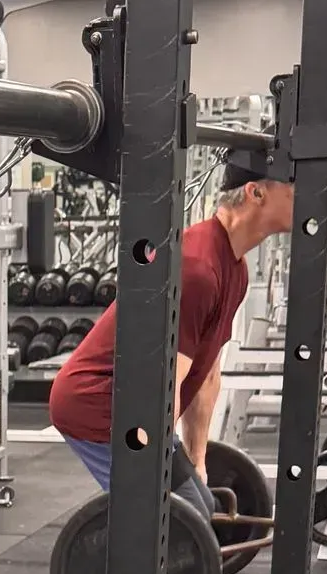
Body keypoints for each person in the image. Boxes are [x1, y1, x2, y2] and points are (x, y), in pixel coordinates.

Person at [48, 139, 293, 519]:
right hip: (96, 403)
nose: (307, 197)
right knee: (171, 522)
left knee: (202, 508)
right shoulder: (197, 267)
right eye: (294, 188)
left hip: (138, 404)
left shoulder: (236, 270)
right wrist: (155, 472)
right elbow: (162, 386)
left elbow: (206, 373)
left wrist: (197, 459)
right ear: (256, 192)